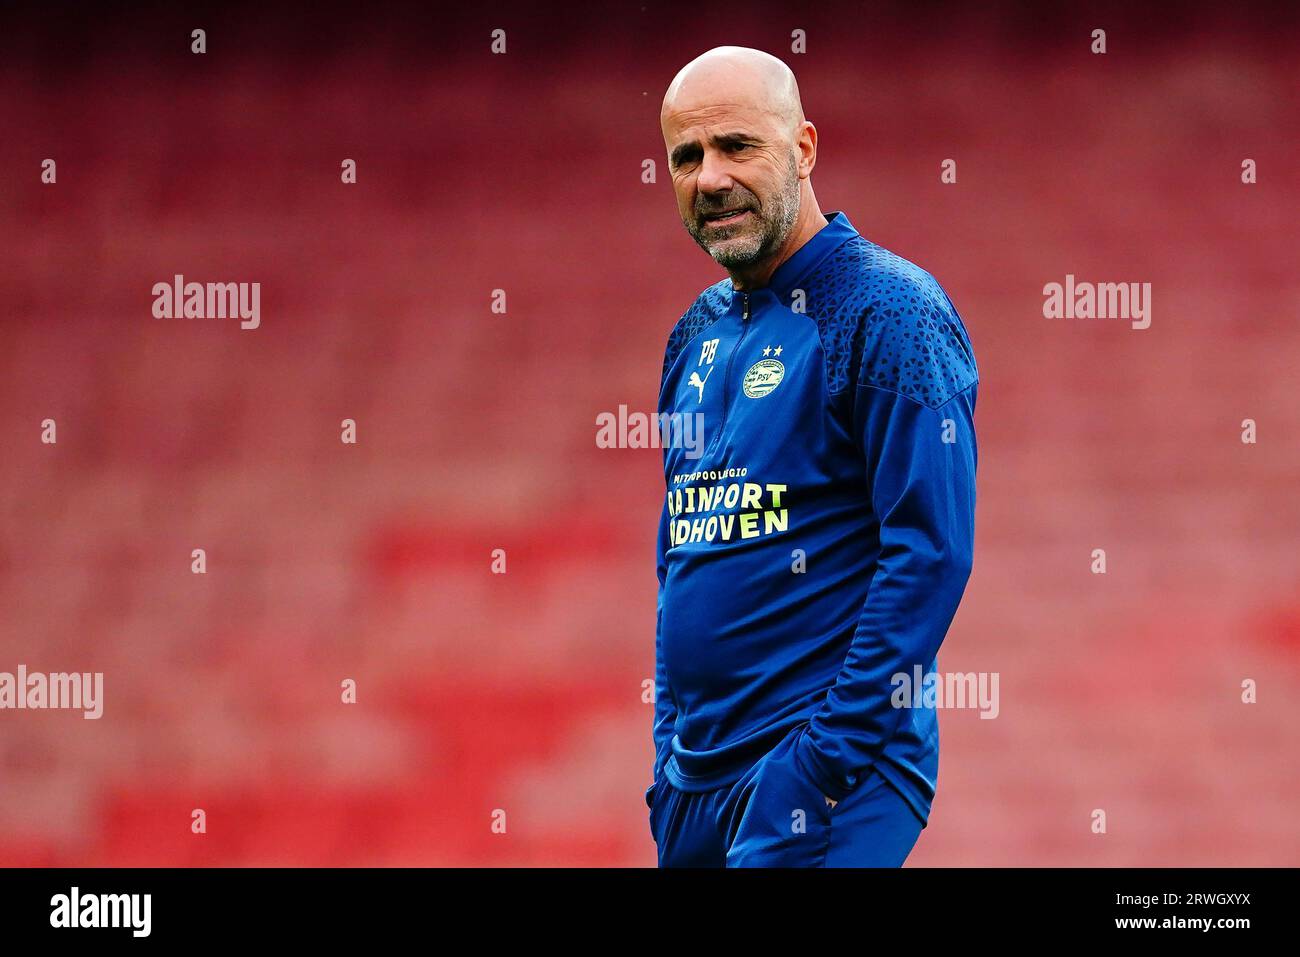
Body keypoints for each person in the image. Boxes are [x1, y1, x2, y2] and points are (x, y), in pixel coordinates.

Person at [648, 46, 979, 867]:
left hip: (818, 777)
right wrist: (667, 763)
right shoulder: (695, 332)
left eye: (737, 146)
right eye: (686, 157)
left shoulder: (891, 310)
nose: (709, 177)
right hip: (696, 786)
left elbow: (930, 554)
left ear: (803, 148)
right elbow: (678, 552)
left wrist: (820, 763)